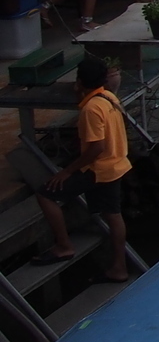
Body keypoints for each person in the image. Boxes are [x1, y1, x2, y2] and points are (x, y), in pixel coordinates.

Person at [32, 56, 130, 281]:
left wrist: (67, 171)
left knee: (45, 194)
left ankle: (64, 245)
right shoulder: (109, 97)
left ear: (79, 81)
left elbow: (96, 148)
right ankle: (119, 267)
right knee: (113, 215)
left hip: (100, 170)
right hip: (117, 164)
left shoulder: (91, 109)